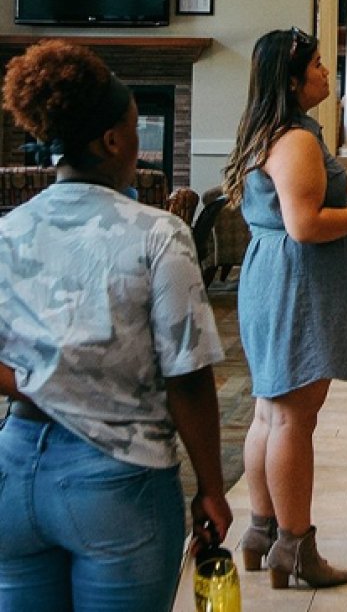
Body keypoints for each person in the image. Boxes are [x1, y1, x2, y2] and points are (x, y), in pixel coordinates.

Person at [0, 40, 231, 611]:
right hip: (118, 483)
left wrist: (47, 381)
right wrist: (211, 486)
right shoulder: (157, 233)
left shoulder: (9, 231)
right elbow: (188, 376)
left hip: (14, 473)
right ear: (111, 141)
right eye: (133, 129)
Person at [222, 27, 347, 588]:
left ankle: (262, 532)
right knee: (294, 416)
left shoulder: (270, 129)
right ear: (295, 81)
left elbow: (299, 199)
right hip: (296, 282)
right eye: (319, 65)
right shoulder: (295, 138)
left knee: (270, 411)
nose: (327, 73)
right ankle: (295, 547)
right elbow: (304, 224)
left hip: (272, 275)